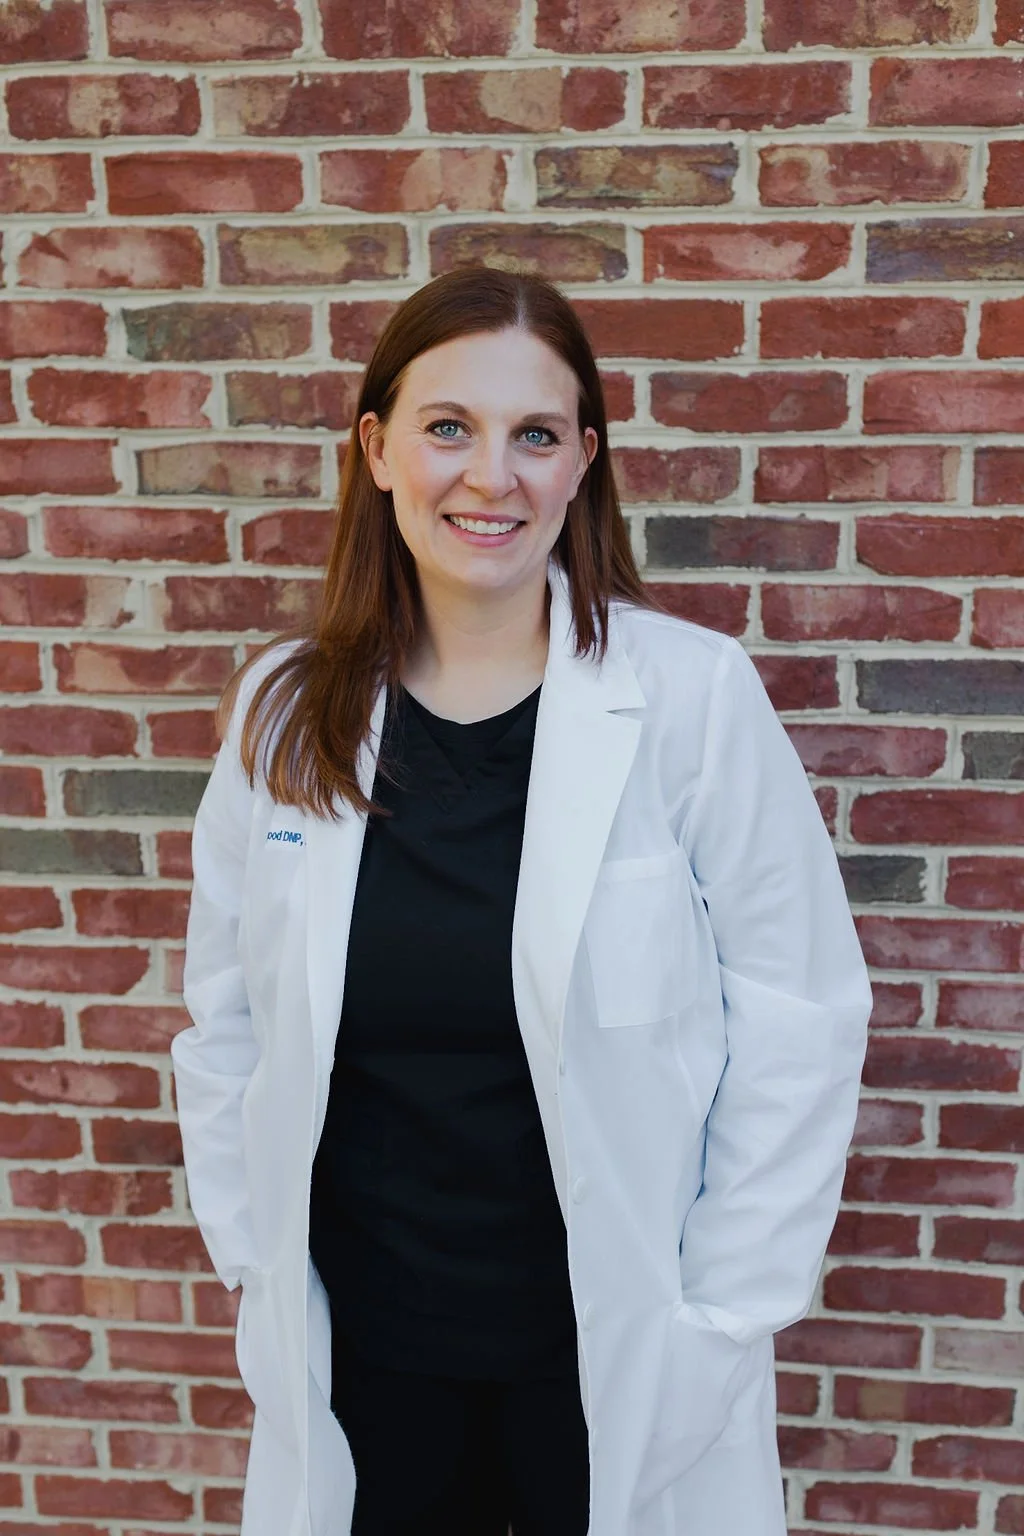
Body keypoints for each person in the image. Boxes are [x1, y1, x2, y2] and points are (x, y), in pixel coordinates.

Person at [171, 266, 872, 1536]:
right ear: (377, 450)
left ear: (582, 462)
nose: (490, 477)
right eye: (448, 427)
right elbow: (223, 1024)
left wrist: (721, 1317)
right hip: (366, 1353)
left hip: (614, 1362)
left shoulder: (690, 699)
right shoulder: (284, 712)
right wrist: (248, 1254)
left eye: (535, 435)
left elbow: (800, 1023)